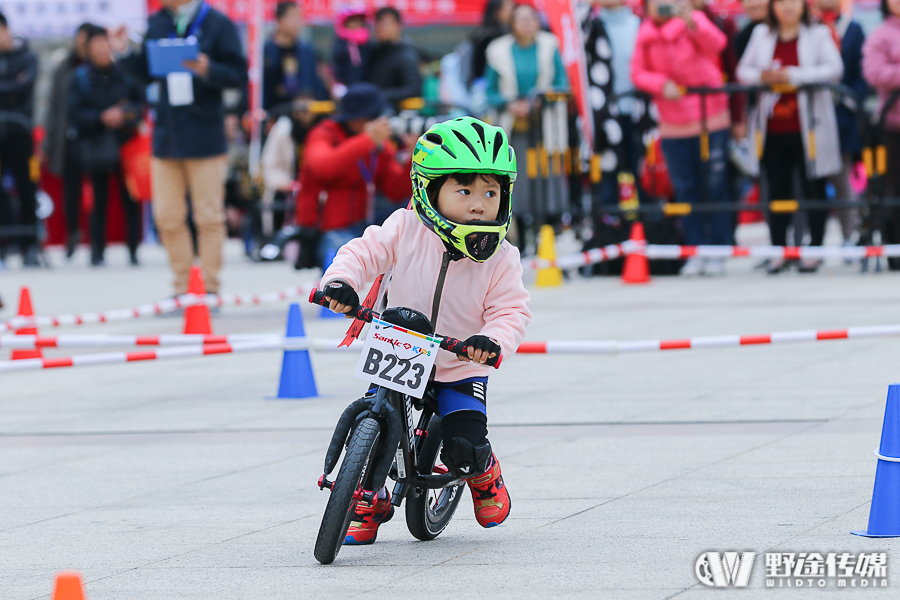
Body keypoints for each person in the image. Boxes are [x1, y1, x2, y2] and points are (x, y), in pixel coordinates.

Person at [317, 117, 530, 543]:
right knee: (376, 420)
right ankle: (366, 497)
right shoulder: (404, 227)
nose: (478, 204)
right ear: (429, 192)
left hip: (459, 363)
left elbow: (511, 310)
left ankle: (483, 472)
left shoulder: (501, 256)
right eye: (464, 190)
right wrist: (340, 283)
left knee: (464, 446)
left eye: (491, 192)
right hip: (399, 351)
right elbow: (363, 252)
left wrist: (491, 341)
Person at [112, 0, 247, 296]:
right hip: (167, 135)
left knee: (209, 216)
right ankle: (183, 285)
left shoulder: (217, 23)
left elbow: (238, 74)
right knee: (167, 217)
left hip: (205, 134)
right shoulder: (158, 21)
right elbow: (146, 73)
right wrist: (123, 51)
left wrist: (209, 69)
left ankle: (209, 286)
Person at [737, 0, 843, 273]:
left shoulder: (817, 33)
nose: (787, 8)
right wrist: (765, 77)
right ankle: (780, 250)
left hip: (810, 128)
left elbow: (834, 69)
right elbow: (743, 71)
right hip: (772, 129)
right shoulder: (762, 34)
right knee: (777, 191)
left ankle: (815, 250)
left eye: (793, 1)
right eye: (781, 2)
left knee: (814, 189)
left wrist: (793, 76)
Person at [632, 0, 732, 276]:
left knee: (715, 186)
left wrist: (693, 21)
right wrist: (661, 85)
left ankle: (720, 249)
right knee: (685, 189)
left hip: (709, 118)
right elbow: (637, 73)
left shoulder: (694, 21)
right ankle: (695, 250)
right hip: (673, 124)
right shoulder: (645, 35)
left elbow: (718, 45)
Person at [295, 83, 415, 267]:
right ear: (360, 118)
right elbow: (324, 167)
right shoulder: (322, 134)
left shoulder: (377, 144)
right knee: (344, 272)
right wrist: (366, 140)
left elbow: (395, 190)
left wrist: (414, 158)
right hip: (327, 230)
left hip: (364, 226)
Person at [485, 3, 569, 249]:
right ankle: (520, 240)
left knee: (548, 178)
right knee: (516, 182)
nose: (526, 24)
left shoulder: (549, 45)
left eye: (530, 18)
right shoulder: (497, 50)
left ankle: (550, 237)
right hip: (514, 127)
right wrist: (510, 104)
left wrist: (539, 99)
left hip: (545, 125)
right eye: (520, 19)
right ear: (511, 23)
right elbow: (489, 91)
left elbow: (562, 83)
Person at [68, 26, 144, 266]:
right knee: (97, 201)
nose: (102, 48)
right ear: (88, 48)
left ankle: (133, 249)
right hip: (96, 144)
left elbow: (141, 103)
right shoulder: (79, 77)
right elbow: (73, 112)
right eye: (96, 44)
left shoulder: (124, 73)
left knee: (130, 198)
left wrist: (125, 114)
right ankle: (97, 251)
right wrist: (101, 117)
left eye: (104, 42)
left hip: (125, 144)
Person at [813, 0, 867, 248]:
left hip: (842, 115)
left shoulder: (853, 28)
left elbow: (862, 73)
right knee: (809, 181)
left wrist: (847, 99)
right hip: (811, 113)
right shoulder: (809, 27)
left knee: (842, 178)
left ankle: (850, 236)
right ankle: (808, 241)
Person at [583, 0, 643, 207]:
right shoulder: (589, 25)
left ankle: (651, 229)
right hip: (603, 113)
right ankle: (610, 230)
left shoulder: (640, 24)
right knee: (608, 174)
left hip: (640, 112)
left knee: (643, 173)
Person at [45, 22, 93, 258]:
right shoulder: (63, 66)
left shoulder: (99, 66)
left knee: (96, 191)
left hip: (93, 136)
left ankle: (96, 240)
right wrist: (49, 141)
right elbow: (53, 107)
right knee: (70, 192)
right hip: (69, 138)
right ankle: (72, 232)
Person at [0, 11, 40, 267]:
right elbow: (14, 88)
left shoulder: (28, 57)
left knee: (27, 187)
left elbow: (24, 88)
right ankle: (6, 243)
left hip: (21, 133)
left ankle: (30, 244)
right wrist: (11, 87)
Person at [863, 0, 900, 270]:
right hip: (894, 125)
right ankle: (895, 249)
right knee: (894, 188)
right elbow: (873, 72)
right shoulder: (881, 34)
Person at [263, 1, 327, 112]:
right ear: (280, 20)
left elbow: (315, 83)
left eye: (299, 18)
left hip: (303, 114)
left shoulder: (306, 50)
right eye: (293, 17)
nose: (298, 22)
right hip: (273, 112)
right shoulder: (266, 52)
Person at [365, 7, 423, 108]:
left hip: (394, 113)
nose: (380, 28)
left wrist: (377, 95)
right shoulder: (372, 51)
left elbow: (413, 89)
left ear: (398, 25)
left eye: (385, 23)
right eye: (377, 23)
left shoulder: (406, 55)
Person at [470, 0, 514, 85]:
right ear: (496, 11)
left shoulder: (509, 33)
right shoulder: (486, 36)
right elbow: (479, 69)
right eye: (510, 9)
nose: (513, 12)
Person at [332, 5, 371, 89]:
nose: (357, 24)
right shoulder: (340, 43)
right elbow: (337, 65)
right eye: (353, 21)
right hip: (346, 85)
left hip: (366, 85)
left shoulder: (367, 42)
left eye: (359, 21)